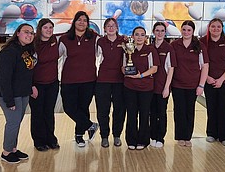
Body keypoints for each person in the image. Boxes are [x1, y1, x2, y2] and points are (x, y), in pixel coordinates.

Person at [0, 23, 36, 163]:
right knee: (13, 122)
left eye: (31, 33)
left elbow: (26, 73)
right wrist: (9, 100)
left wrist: (30, 88)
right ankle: (6, 152)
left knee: (16, 122)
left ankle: (13, 149)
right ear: (18, 33)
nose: (29, 35)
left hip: (22, 93)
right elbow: (3, 78)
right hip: (10, 95)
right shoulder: (9, 52)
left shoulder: (25, 50)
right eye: (26, 32)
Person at [59, 11, 99, 147]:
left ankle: (79, 136)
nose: (82, 22)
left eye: (84, 20)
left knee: (83, 108)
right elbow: (55, 56)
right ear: (74, 22)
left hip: (88, 80)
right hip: (68, 80)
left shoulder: (94, 37)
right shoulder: (65, 39)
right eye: (79, 19)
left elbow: (107, 45)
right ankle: (91, 126)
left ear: (88, 24)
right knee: (69, 108)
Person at [171, 20, 209, 147]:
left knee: (189, 111)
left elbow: (205, 66)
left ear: (193, 32)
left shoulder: (199, 46)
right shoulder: (175, 45)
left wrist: (201, 85)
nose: (186, 32)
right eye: (184, 29)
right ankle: (180, 136)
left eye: (189, 30)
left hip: (193, 84)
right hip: (177, 84)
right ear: (181, 30)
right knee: (179, 111)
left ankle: (187, 137)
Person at [199, 18, 225, 146]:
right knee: (211, 107)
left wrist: (221, 79)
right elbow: (200, 62)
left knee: (224, 108)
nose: (215, 29)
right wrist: (207, 78)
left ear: (222, 28)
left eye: (218, 27)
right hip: (208, 80)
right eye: (213, 26)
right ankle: (211, 133)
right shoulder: (203, 42)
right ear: (209, 28)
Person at [123, 26, 159, 150]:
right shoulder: (128, 49)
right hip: (129, 87)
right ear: (132, 36)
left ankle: (143, 140)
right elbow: (123, 66)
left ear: (145, 37)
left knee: (144, 114)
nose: (139, 37)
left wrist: (141, 75)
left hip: (146, 87)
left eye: (142, 35)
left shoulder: (150, 50)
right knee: (131, 114)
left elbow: (154, 68)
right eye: (137, 34)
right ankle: (131, 140)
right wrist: (126, 72)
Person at [29, 18, 60, 151]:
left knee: (48, 112)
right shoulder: (32, 45)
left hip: (52, 84)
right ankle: (39, 141)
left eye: (51, 28)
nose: (49, 30)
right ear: (40, 29)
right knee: (37, 113)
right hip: (37, 85)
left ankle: (50, 139)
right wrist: (31, 85)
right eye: (46, 28)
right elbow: (27, 67)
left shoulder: (55, 40)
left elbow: (70, 33)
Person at [95, 18, 126, 148]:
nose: (111, 28)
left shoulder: (124, 41)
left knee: (119, 110)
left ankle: (117, 135)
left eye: (113, 26)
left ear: (117, 28)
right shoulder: (100, 41)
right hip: (102, 80)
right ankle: (104, 136)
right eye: (108, 26)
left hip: (120, 81)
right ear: (104, 28)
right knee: (103, 110)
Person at [150, 22, 176, 148]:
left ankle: (160, 137)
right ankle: (152, 136)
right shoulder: (149, 47)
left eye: (162, 31)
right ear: (154, 32)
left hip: (162, 87)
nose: (160, 33)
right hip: (149, 87)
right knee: (152, 113)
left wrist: (167, 88)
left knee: (161, 113)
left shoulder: (168, 48)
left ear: (165, 33)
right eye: (157, 30)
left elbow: (171, 69)